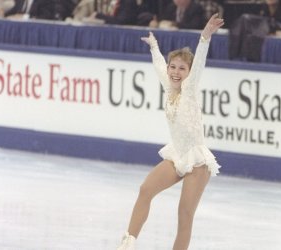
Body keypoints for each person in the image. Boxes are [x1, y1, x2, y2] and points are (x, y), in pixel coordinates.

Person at [116, 13, 223, 250]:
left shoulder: (190, 88)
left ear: (189, 72)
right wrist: (154, 47)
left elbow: (200, 61)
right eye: (172, 67)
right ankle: (127, 244)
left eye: (181, 68)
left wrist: (205, 37)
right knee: (145, 190)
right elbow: (158, 67)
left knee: (184, 216)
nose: (175, 72)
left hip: (197, 162)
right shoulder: (168, 86)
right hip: (177, 155)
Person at [71, 0, 138, 25]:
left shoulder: (128, 2)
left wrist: (98, 16)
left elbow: (121, 21)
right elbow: (76, 22)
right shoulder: (89, 2)